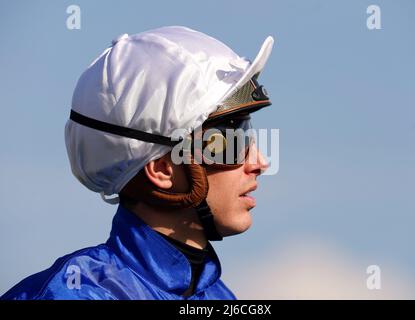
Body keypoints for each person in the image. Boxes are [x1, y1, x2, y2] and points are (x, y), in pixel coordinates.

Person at [1, 26, 274, 300]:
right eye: (226, 143)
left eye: (247, 136)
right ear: (161, 169)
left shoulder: (220, 296)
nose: (260, 162)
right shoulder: (74, 294)